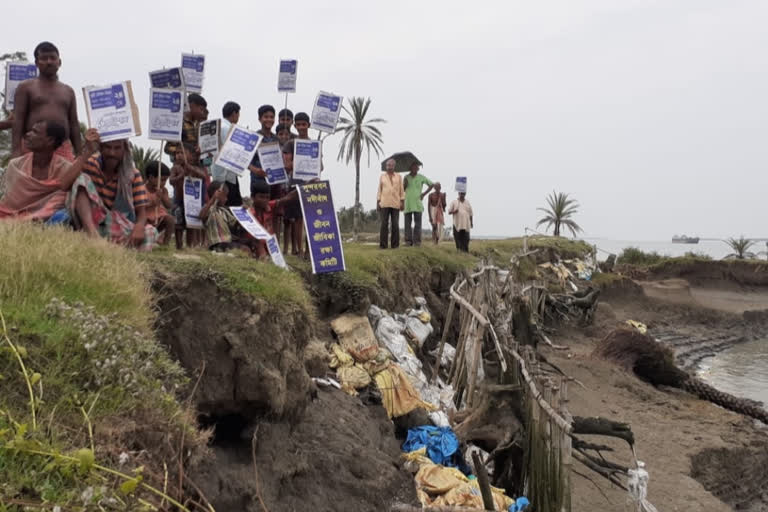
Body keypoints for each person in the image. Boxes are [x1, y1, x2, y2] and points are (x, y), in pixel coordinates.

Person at [68, 138, 157, 251]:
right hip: (89, 220)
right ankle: (92, 236)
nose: (112, 153)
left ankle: (114, 247)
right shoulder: (89, 163)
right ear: (101, 147)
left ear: (124, 150)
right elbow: (64, 184)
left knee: (150, 232)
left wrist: (139, 227)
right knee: (82, 179)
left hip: (114, 224)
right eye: (108, 147)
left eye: (117, 148)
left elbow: (141, 212)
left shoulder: (132, 174)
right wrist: (86, 154)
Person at [0, 121, 99, 222]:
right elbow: (9, 201)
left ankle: (32, 218)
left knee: (64, 196)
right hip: (10, 215)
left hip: (47, 217)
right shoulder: (16, 165)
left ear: (50, 140)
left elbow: (65, 187)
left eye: (35, 132)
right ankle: (26, 219)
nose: (27, 134)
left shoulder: (64, 167)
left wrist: (88, 151)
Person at [12, 42, 82, 161]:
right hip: (32, 148)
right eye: (44, 58)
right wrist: (16, 151)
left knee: (66, 179)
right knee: (30, 179)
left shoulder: (68, 91)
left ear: (59, 62)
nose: (49, 62)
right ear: (36, 63)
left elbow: (74, 123)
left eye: (52, 58)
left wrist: (80, 155)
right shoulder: (25, 87)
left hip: (62, 148)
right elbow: (18, 120)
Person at [169, 143, 208, 249]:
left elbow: (204, 176)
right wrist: (180, 176)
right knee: (178, 226)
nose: (179, 155)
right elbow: (171, 181)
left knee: (191, 225)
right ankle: (179, 246)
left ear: (191, 155)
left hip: (192, 202)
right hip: (179, 201)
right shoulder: (175, 168)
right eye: (177, 153)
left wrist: (189, 168)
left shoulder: (196, 168)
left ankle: (190, 246)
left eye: (182, 153)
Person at [250, 178, 298, 259]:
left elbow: (288, 198)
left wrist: (307, 186)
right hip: (253, 246)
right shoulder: (248, 213)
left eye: (267, 197)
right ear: (252, 197)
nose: (264, 200)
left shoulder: (270, 206)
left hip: (270, 248)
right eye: (261, 197)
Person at [211, 101, 243, 206]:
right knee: (231, 206)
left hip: (217, 173)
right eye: (238, 114)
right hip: (226, 175)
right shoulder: (228, 128)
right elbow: (231, 152)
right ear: (234, 113)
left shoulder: (217, 126)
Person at [164, 93, 207, 160]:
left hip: (198, 165)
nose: (202, 113)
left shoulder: (200, 124)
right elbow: (167, 148)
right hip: (183, 167)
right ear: (191, 106)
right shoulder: (178, 123)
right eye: (201, 109)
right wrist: (182, 152)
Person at [280, 140, 305, 256]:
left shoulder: (311, 142)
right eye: (298, 124)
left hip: (308, 184)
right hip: (293, 184)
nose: (285, 155)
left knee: (302, 219)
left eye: (303, 124)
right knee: (293, 219)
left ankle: (304, 251)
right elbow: (287, 166)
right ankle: (297, 249)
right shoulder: (290, 143)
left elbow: (320, 167)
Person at [248, 105, 278, 198]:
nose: (269, 120)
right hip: (258, 182)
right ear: (260, 119)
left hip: (274, 182)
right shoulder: (254, 138)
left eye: (271, 117)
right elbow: (244, 160)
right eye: (266, 117)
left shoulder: (276, 138)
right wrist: (256, 170)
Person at [143, 161, 175, 245]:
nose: (164, 183)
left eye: (165, 180)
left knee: (170, 220)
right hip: (146, 218)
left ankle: (165, 243)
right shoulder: (142, 190)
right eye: (162, 180)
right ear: (151, 178)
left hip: (159, 217)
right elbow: (140, 206)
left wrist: (163, 197)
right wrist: (153, 202)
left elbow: (168, 205)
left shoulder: (163, 190)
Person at [403, 162, 434, 246]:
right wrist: (405, 183)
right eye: (413, 167)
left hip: (417, 203)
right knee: (407, 224)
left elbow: (431, 185)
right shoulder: (406, 177)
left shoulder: (421, 177)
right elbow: (402, 189)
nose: (415, 169)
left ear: (418, 169)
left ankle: (417, 242)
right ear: (410, 168)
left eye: (416, 168)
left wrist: (423, 194)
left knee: (418, 224)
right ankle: (408, 241)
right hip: (408, 203)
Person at [377, 158, 404, 249]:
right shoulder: (382, 176)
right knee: (384, 224)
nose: (389, 167)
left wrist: (402, 202)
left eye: (391, 165)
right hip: (384, 203)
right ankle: (383, 245)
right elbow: (379, 190)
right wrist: (378, 202)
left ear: (394, 166)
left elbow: (401, 190)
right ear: (386, 166)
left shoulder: (399, 176)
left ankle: (395, 245)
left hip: (395, 203)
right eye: (388, 165)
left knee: (395, 224)